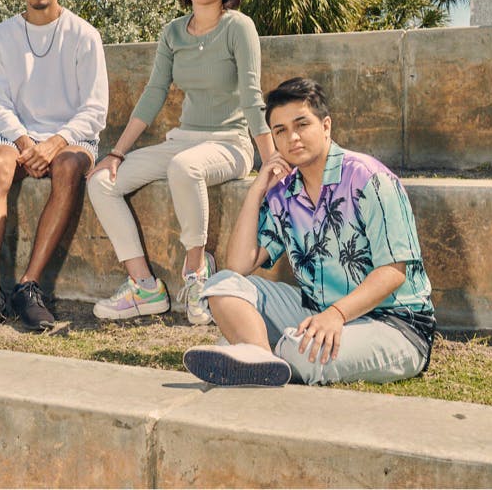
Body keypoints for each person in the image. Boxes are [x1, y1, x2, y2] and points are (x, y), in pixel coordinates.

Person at [183, 78, 435, 386]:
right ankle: (261, 359)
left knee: (299, 351)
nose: (292, 138)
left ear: (326, 125)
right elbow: (238, 265)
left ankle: (248, 349)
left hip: (395, 325)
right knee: (221, 284)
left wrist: (337, 315)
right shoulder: (284, 193)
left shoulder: (370, 179)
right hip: (315, 312)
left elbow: (394, 271)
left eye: (301, 124)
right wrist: (256, 190)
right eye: (280, 131)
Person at [87, 0, 275, 324]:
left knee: (185, 168)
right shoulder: (172, 33)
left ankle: (196, 272)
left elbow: (253, 95)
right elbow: (154, 94)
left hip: (230, 144)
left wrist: (271, 159)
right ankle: (144, 287)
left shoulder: (239, 27)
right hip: (185, 140)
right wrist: (116, 154)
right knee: (101, 182)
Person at [0, 0, 109, 332]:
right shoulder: (1, 36)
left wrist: (54, 143)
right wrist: (26, 143)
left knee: (67, 167)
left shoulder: (84, 34)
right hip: (17, 139)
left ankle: (29, 286)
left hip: (72, 139)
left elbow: (95, 109)